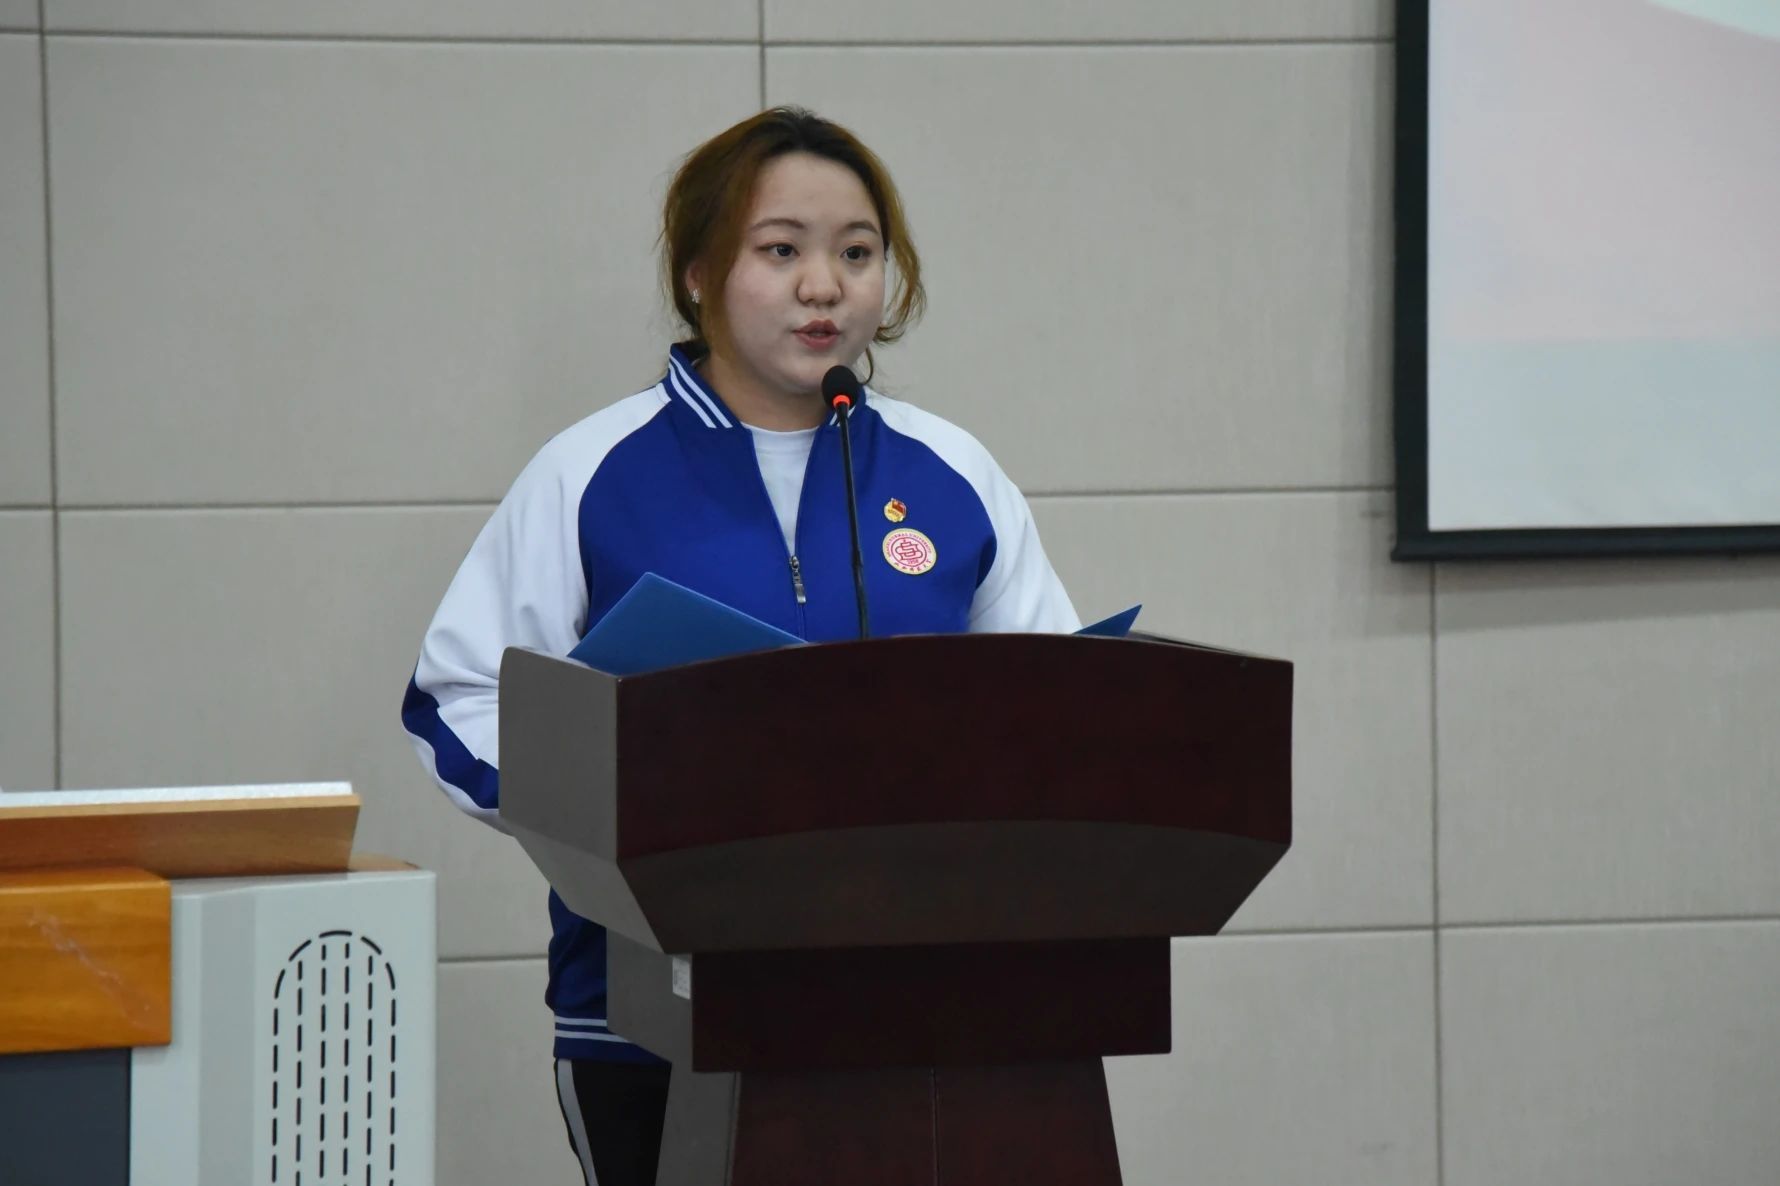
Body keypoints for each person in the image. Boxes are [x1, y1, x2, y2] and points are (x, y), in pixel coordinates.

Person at [401, 106, 1079, 1186]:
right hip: (649, 1020)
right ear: (699, 273)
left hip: (918, 1011)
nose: (824, 286)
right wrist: (605, 811)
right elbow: (458, 697)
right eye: (781, 250)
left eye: (856, 253)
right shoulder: (593, 471)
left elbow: (1067, 708)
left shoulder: (952, 472)